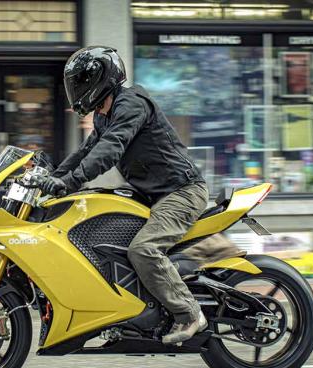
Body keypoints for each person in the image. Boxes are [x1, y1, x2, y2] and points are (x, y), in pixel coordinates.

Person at [41, 46, 208, 345]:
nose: (76, 89)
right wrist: (52, 178)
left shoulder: (131, 103)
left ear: (100, 79)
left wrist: (71, 182)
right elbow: (85, 151)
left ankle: (189, 313)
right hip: (153, 195)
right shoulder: (104, 116)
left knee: (143, 250)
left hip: (181, 192)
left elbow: (110, 149)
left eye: (80, 81)